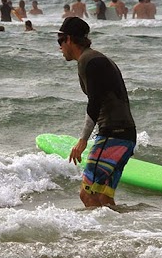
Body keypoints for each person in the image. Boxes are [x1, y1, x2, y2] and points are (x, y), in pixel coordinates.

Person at [57, 17, 137, 208]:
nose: (59, 47)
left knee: (87, 194)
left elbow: (95, 101)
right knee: (104, 199)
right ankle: (120, 235)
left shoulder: (90, 61)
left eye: (60, 41)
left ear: (69, 39)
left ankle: (101, 236)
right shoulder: (97, 58)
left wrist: (83, 140)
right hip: (125, 136)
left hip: (113, 135)